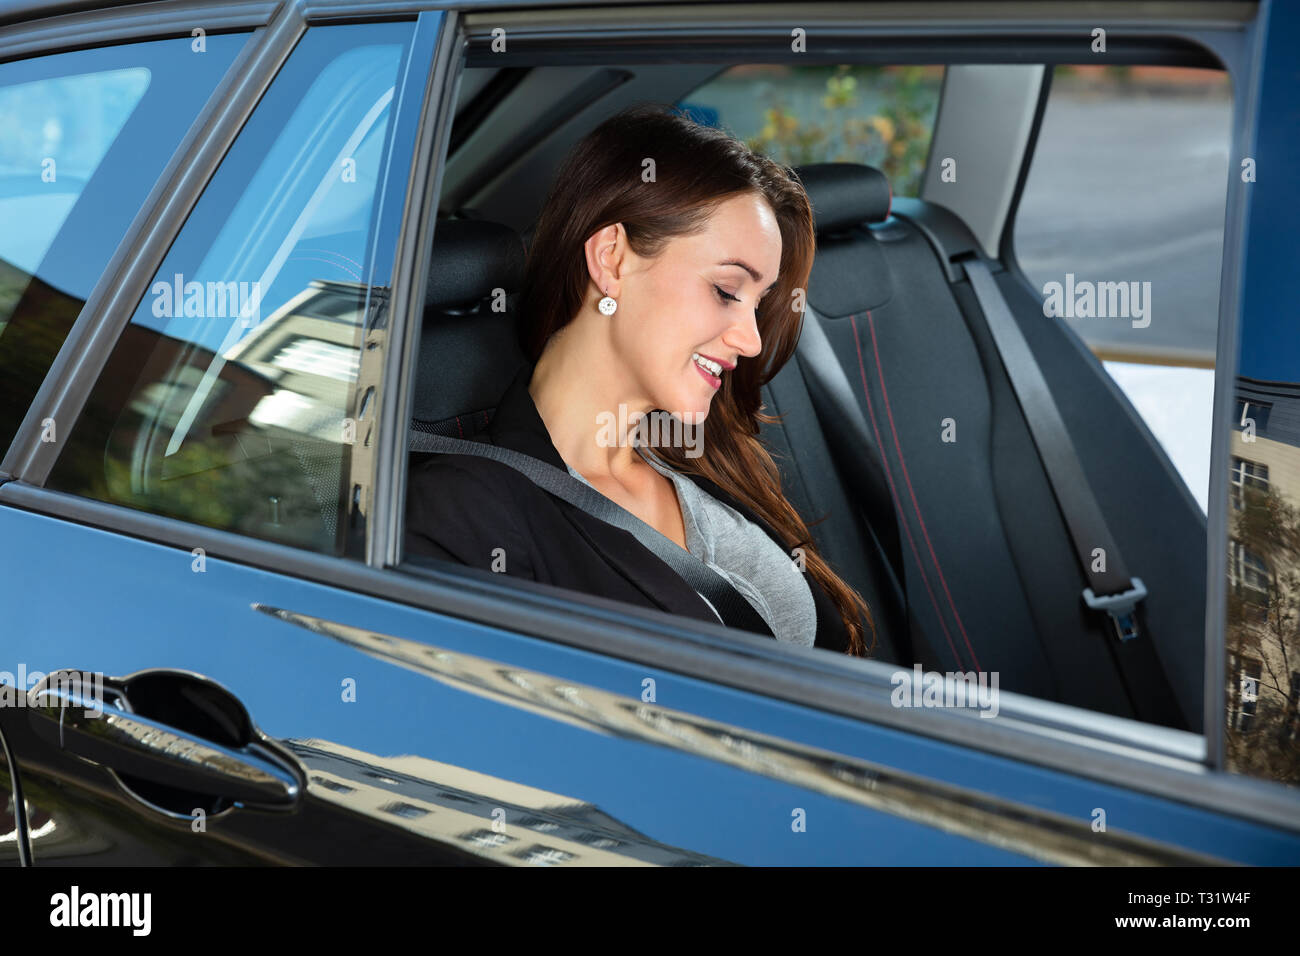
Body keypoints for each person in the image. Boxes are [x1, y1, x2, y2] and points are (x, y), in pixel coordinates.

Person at [405, 103, 876, 656]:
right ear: (611, 259)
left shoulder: (706, 458)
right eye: (727, 291)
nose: (750, 341)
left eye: (758, 303)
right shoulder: (470, 515)